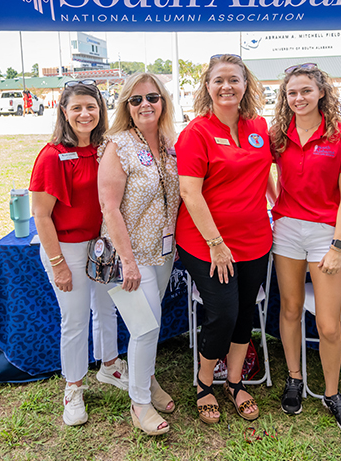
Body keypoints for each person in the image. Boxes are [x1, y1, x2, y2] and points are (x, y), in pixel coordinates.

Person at [176, 53, 274, 424]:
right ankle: (204, 383)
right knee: (222, 313)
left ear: (246, 85)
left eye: (234, 79)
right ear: (207, 86)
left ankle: (234, 382)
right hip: (206, 242)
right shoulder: (196, 132)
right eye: (219, 80)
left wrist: (278, 204)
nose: (226, 86)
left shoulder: (259, 127)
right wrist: (216, 244)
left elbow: (264, 172)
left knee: (244, 312)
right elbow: (190, 192)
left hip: (255, 239)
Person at [29, 79, 128, 427]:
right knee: (75, 320)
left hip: (102, 245)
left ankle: (111, 365)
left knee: (107, 309)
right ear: (64, 112)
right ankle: (73, 387)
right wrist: (58, 264)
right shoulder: (52, 156)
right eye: (77, 107)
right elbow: (41, 215)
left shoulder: (106, 148)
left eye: (91, 106)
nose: (85, 113)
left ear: (100, 110)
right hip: (67, 249)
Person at [269, 64, 341, 434]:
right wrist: (280, 204)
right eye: (292, 92)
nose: (299, 98)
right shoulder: (278, 134)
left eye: (306, 90)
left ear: (321, 91)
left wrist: (338, 245)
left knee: (327, 325)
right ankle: (294, 379)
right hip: (287, 230)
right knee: (290, 309)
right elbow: (264, 175)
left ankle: (333, 394)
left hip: (327, 234)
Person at [98, 73, 181, 436]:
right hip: (130, 257)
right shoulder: (117, 145)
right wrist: (128, 261)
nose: (145, 104)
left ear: (163, 101)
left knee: (152, 325)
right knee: (145, 328)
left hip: (163, 254)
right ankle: (140, 403)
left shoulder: (170, 143)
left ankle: (147, 382)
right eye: (136, 100)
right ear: (126, 108)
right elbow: (109, 208)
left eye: (152, 97)